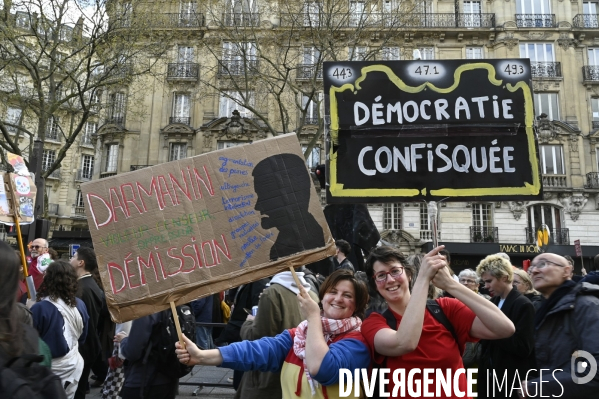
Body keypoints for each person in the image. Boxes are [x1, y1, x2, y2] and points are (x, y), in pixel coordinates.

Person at [175, 270, 371, 399]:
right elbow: (257, 350)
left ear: (357, 305)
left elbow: (323, 369)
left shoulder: (358, 342)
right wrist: (201, 356)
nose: (338, 299)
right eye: (333, 291)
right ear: (323, 296)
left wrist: (313, 318)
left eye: (347, 295)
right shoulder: (299, 335)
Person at [361, 245, 515, 398]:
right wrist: (423, 278)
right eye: (381, 275)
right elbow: (405, 342)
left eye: (395, 271)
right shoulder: (373, 324)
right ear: (375, 285)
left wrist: (451, 284)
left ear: (408, 274)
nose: (389, 279)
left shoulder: (445, 309)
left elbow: (505, 328)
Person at [234, 270, 318, 399]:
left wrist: (248, 323)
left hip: (267, 378)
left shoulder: (273, 293)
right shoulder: (311, 294)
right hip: (296, 375)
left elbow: (257, 338)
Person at [525, 253, 599, 397]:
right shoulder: (547, 309)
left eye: (543, 264)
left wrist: (538, 386)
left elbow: (594, 370)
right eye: (532, 267)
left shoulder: (586, 306)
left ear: (566, 271)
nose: (534, 271)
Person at [476, 254, 537, 399]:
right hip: (490, 378)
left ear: (504, 277)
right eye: (485, 282)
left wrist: (493, 332)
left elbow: (524, 347)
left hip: (510, 381)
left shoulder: (524, 304)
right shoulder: (493, 301)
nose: (486, 286)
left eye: (489, 281)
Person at [31, 261, 90, 399]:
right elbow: (83, 337)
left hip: (48, 370)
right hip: (73, 365)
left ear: (48, 279)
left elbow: (30, 341)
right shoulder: (80, 304)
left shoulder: (39, 308)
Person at [252, 153, 325, 260]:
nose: (257, 206)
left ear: (289, 198)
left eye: (264, 197)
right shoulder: (288, 241)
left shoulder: (302, 244)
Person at [115, 312, 178, 399]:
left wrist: (123, 340)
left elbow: (132, 352)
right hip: (169, 378)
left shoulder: (148, 311)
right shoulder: (176, 306)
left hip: (144, 379)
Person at [70, 247, 104, 399]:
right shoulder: (87, 285)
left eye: (73, 256)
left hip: (84, 348)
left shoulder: (84, 289)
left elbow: (85, 322)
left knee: (78, 391)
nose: (70, 259)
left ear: (80, 263)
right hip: (88, 346)